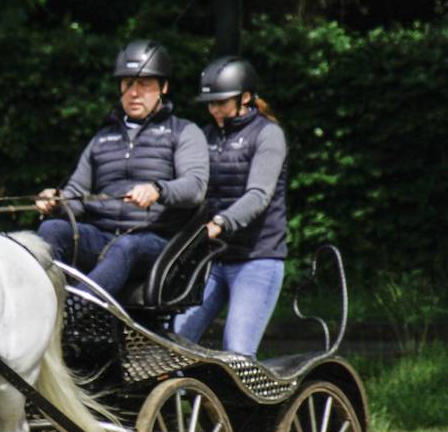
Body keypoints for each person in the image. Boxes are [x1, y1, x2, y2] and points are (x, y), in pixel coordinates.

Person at [35, 39, 208, 297]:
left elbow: (195, 187)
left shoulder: (184, 132)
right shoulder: (101, 138)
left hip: (154, 242)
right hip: (101, 237)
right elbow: (77, 195)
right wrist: (57, 201)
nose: (134, 93)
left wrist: (157, 190)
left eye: (144, 84)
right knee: (51, 230)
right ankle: (44, 303)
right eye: (128, 84)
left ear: (163, 87)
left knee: (128, 246)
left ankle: (75, 310)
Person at [173, 56, 288, 356]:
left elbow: (258, 195)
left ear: (246, 97)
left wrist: (220, 223)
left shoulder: (268, 134)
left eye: (220, 102)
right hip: (213, 259)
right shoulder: (205, 136)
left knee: (236, 350)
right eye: (209, 103)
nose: (213, 110)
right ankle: (184, 398)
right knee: (172, 342)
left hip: (257, 258)